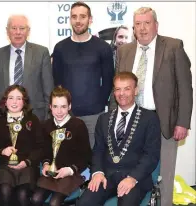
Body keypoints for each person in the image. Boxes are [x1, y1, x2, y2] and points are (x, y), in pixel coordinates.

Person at [112, 7, 193, 206]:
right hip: (131, 119)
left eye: (147, 23)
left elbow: (185, 88)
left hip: (163, 120)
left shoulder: (173, 47)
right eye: (138, 24)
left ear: (156, 25)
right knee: (133, 168)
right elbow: (117, 87)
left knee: (165, 173)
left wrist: (182, 122)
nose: (142, 28)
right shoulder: (124, 51)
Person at [77, 72, 161, 205]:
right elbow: (98, 150)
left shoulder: (150, 118)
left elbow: (151, 155)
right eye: (118, 89)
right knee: (84, 202)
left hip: (134, 177)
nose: (122, 93)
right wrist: (97, 172)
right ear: (114, 92)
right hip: (106, 176)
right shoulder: (103, 119)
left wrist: (133, 178)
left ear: (136, 90)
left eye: (127, 88)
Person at [52, 1, 114, 148]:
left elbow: (108, 81)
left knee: (94, 157)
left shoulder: (103, 47)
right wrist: (64, 109)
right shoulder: (60, 48)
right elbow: (57, 81)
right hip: (67, 116)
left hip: (94, 115)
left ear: (90, 19)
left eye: (82, 16)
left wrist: (98, 104)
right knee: (67, 158)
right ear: (70, 20)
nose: (78, 21)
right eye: (74, 17)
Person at [0, 14, 54, 125]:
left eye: (22, 28)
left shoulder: (42, 53)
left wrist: (48, 119)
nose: (18, 32)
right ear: (7, 31)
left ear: (28, 31)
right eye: (14, 28)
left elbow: (48, 89)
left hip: (36, 117)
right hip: (2, 118)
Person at [30, 86, 92, 206]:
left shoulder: (78, 125)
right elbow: (45, 151)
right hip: (52, 173)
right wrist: (47, 164)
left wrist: (70, 170)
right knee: (36, 199)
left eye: (63, 107)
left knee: (54, 203)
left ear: (69, 106)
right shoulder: (46, 126)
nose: (59, 111)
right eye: (55, 106)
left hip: (71, 173)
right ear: (50, 107)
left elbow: (86, 156)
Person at [0, 85, 44, 206]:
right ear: (5, 101)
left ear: (24, 102)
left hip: (27, 167)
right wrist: (2, 151)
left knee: (22, 194)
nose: (14, 102)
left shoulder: (33, 120)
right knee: (5, 191)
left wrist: (27, 162)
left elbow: (40, 148)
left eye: (19, 98)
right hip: (6, 167)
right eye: (11, 98)